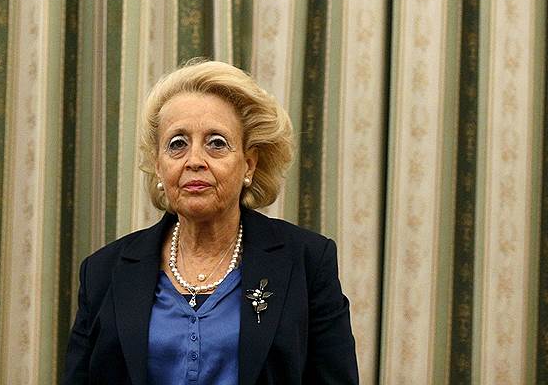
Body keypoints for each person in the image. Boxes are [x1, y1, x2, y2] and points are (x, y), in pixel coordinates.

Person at [62, 59, 358, 384]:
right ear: (158, 166)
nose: (194, 161)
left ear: (248, 164)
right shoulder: (103, 272)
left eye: (216, 143)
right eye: (177, 144)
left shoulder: (307, 262)